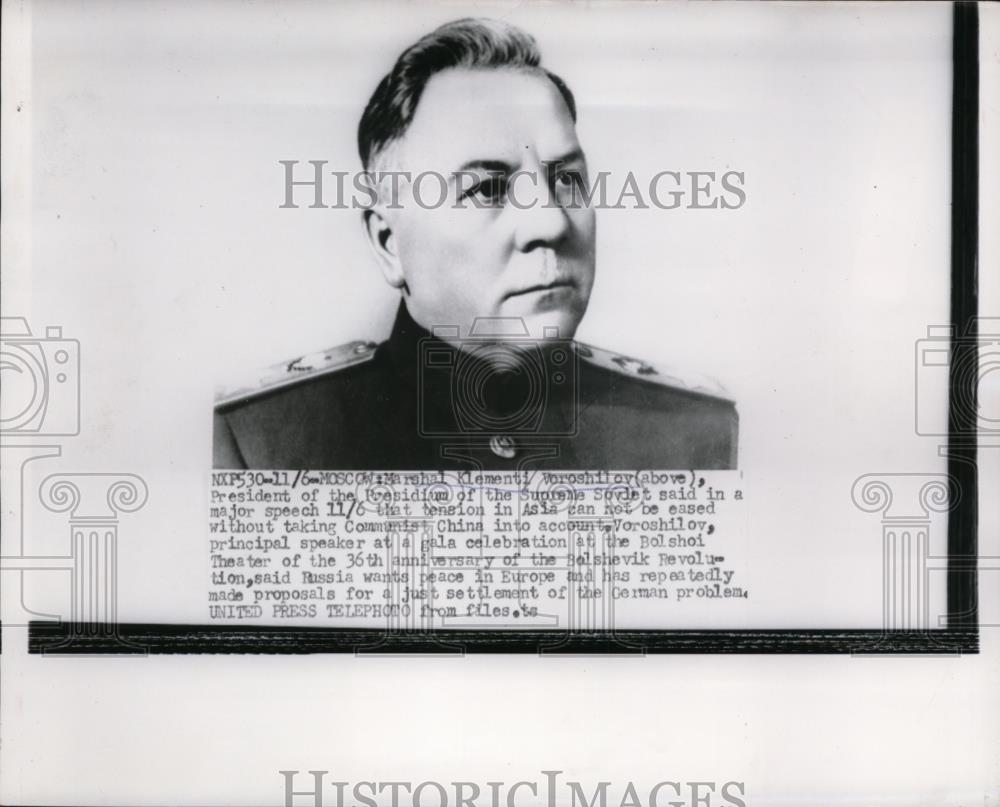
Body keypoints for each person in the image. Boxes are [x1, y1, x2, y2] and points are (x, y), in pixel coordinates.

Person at [213, 18, 737, 470]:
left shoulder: (689, 433)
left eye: (566, 181)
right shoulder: (265, 440)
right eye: (487, 188)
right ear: (389, 244)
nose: (550, 224)